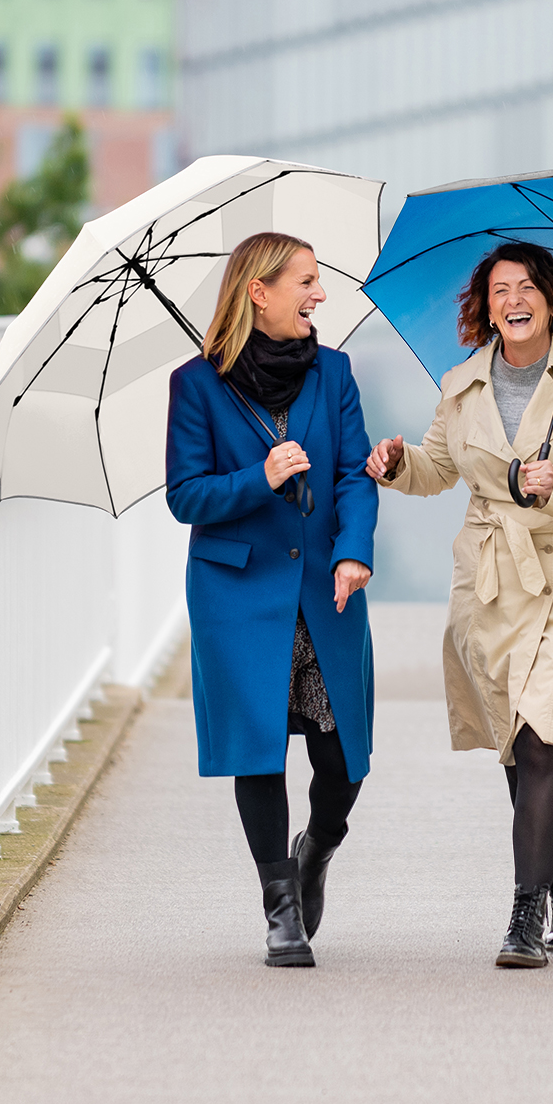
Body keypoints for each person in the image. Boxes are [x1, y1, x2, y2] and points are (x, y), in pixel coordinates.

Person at [367, 241, 553, 968]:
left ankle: (526, 918)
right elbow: (439, 469)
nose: (513, 300)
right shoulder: (461, 384)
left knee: (543, 738)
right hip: (491, 580)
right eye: (499, 290)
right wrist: (398, 467)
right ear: (483, 306)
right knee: (515, 746)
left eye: (526, 287)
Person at [167, 232, 377, 968]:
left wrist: (356, 550)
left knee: (344, 757)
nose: (319, 295)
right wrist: (259, 476)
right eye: (307, 282)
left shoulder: (336, 372)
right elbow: (186, 495)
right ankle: (280, 908)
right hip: (237, 592)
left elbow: (354, 473)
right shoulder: (197, 384)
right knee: (258, 749)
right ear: (259, 292)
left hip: (325, 585)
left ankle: (316, 847)